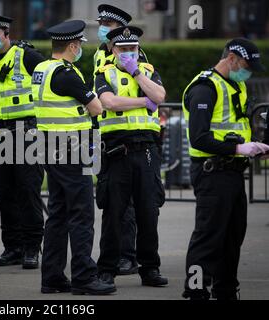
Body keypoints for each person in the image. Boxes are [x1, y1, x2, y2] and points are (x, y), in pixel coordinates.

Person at [181, 38, 269, 300]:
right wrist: (239, 149)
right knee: (208, 236)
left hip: (232, 172)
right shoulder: (205, 88)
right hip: (212, 172)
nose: (248, 71)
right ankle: (195, 291)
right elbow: (199, 137)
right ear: (231, 58)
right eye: (245, 64)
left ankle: (226, 289)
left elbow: (235, 126)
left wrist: (257, 146)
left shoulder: (235, 84)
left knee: (232, 235)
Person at [33, 19, 115, 295]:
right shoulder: (66, 74)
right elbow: (97, 108)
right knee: (81, 213)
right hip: (69, 149)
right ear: (71, 45)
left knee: (58, 213)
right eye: (79, 44)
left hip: (49, 146)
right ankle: (83, 277)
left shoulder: (42, 69)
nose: (80, 48)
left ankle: (52, 277)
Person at [95, 26, 168, 287]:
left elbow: (159, 96)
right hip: (117, 152)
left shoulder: (147, 71)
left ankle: (150, 268)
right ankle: (106, 270)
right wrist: (143, 102)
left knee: (149, 212)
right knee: (114, 213)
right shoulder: (104, 73)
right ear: (112, 50)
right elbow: (109, 102)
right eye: (123, 49)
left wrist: (136, 72)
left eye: (132, 49)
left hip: (147, 151)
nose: (128, 53)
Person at [0, 14, 45, 269]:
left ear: (7, 33)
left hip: (27, 131)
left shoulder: (26, 55)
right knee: (5, 192)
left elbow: (48, 82)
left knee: (28, 191)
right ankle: (13, 247)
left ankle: (31, 248)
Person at [94, 3, 139, 276]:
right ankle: (115, 254)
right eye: (102, 24)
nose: (102, 28)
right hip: (106, 133)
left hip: (128, 136)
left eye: (108, 25)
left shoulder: (131, 53)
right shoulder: (100, 53)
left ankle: (128, 255)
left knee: (127, 202)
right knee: (111, 198)